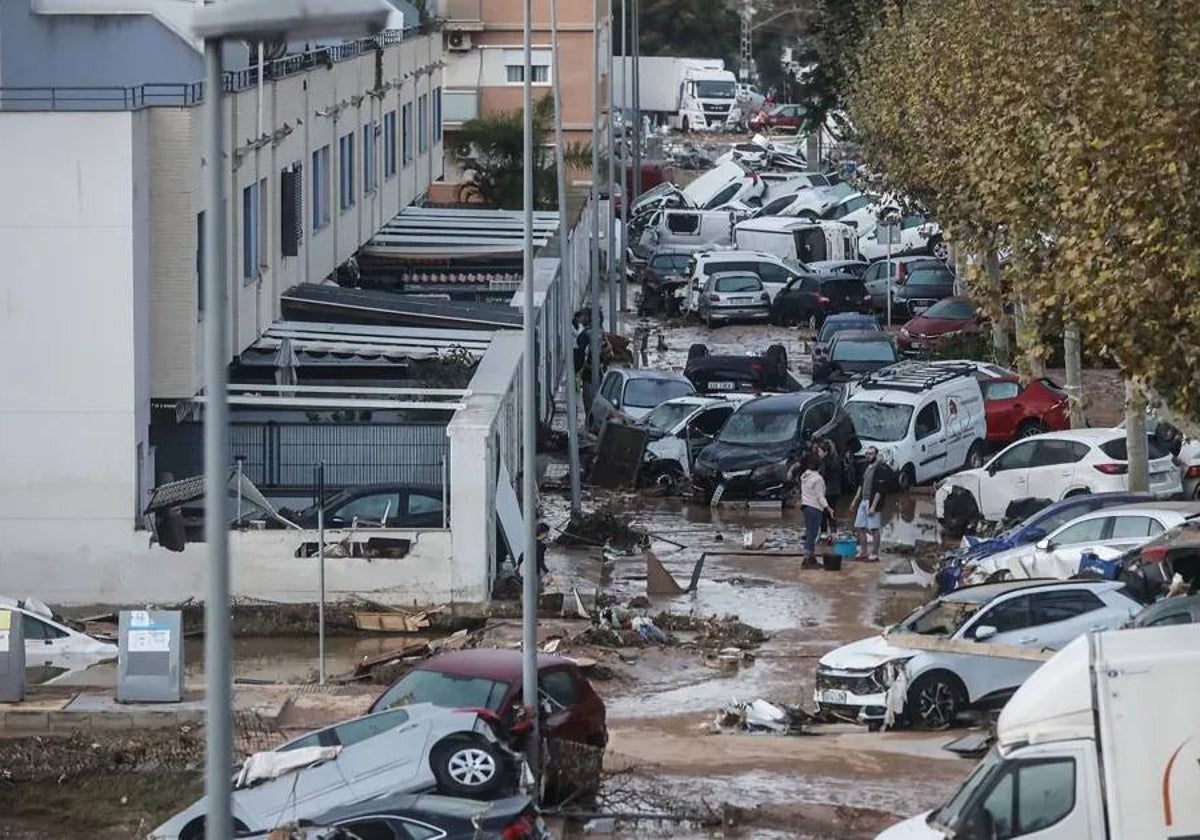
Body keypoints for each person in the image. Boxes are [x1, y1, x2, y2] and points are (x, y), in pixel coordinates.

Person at [849, 447, 890, 562]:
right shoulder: (865, 467)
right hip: (863, 500)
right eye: (867, 454)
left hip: (873, 501)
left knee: (874, 528)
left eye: (871, 454)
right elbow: (861, 485)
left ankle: (875, 553)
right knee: (859, 526)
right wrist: (855, 501)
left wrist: (873, 506)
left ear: (876, 455)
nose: (868, 456)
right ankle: (863, 551)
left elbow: (880, 490)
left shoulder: (880, 469)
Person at [800, 453, 834, 568]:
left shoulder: (804, 476)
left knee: (810, 532)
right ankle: (807, 559)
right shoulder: (818, 479)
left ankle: (811, 558)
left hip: (805, 507)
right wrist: (828, 508)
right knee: (812, 533)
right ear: (820, 466)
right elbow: (820, 497)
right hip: (814, 508)